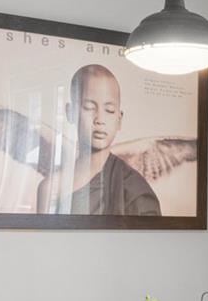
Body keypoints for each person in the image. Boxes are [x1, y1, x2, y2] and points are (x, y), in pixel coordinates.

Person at [44, 63, 161, 216]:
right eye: (89, 107)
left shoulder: (135, 192)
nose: (99, 119)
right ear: (70, 112)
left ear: (119, 119)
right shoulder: (50, 188)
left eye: (109, 110)